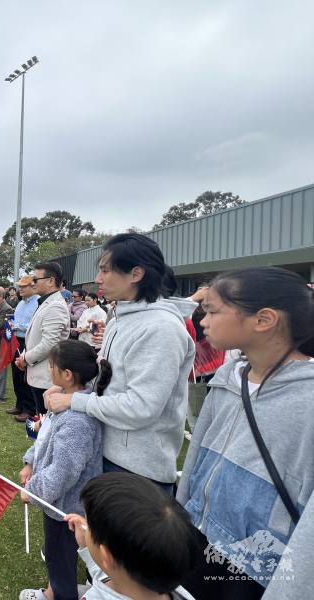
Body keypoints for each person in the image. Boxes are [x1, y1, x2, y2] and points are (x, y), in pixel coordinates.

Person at [176, 267, 314, 599]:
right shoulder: (227, 379)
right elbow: (196, 459)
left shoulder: (308, 399)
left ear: (264, 320)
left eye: (211, 310)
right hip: (199, 536)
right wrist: (179, 522)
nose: (202, 321)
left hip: (260, 564)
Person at [46, 234, 195, 496]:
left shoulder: (161, 328)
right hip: (105, 451)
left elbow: (141, 407)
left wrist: (74, 402)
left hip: (137, 470)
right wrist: (71, 390)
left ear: (136, 274)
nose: (99, 279)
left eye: (105, 270)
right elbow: (107, 382)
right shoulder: (118, 320)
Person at [19, 340, 107, 600]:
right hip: (57, 504)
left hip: (66, 510)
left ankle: (61, 594)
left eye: (52, 366)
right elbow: (44, 436)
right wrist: (30, 463)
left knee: (60, 564)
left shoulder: (77, 420)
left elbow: (64, 470)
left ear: (67, 375)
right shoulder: (64, 404)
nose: (49, 371)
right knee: (57, 557)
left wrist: (33, 491)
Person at [28, 472, 198, 600]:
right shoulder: (175, 591)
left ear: (106, 555)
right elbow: (113, 572)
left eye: (90, 525)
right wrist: (87, 547)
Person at [15, 262, 70, 416]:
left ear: (51, 281)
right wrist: (24, 356)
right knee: (41, 419)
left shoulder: (55, 306)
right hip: (39, 371)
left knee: (45, 422)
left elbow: (50, 343)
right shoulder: (46, 302)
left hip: (46, 377)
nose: (33, 283)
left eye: (36, 279)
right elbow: (35, 336)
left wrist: (26, 358)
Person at [7, 275, 39, 422]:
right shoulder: (20, 304)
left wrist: (18, 326)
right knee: (16, 374)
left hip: (28, 341)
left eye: (23, 286)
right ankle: (20, 404)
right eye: (19, 286)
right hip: (16, 340)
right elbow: (16, 319)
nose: (20, 289)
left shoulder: (38, 302)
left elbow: (35, 326)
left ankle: (29, 409)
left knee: (26, 375)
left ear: (33, 286)